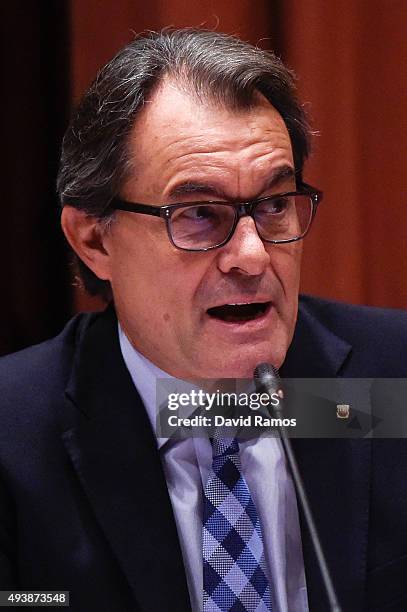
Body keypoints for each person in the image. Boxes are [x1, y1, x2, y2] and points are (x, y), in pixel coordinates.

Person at [1, 28, 407, 612]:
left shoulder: (389, 389)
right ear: (93, 240)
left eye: (272, 205)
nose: (252, 255)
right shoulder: (11, 440)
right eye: (197, 214)